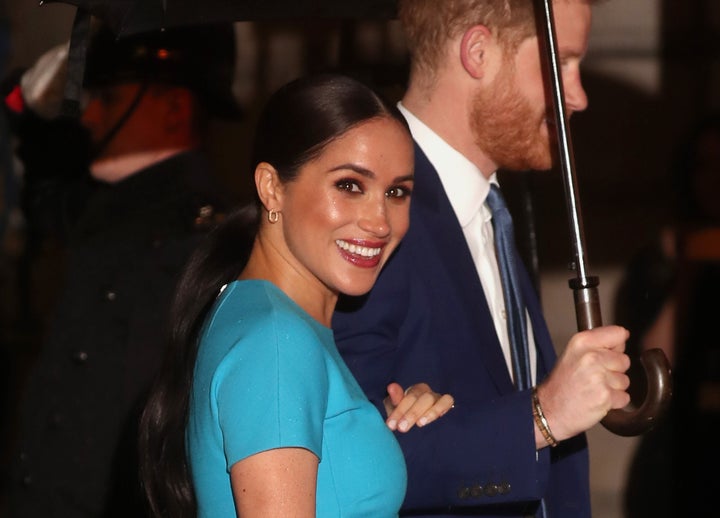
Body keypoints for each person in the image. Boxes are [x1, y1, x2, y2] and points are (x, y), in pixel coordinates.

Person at [332, 1, 631, 516]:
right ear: (478, 52)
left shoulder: (491, 210)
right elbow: (343, 459)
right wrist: (542, 417)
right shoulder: (370, 218)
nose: (576, 97)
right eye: (561, 64)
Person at [138, 72, 455, 518]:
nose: (380, 222)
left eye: (397, 192)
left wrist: (367, 424)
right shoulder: (276, 341)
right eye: (349, 185)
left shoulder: (264, 319)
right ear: (272, 188)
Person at [4, 21, 241, 517]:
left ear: (174, 108)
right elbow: (47, 190)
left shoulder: (195, 240)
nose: (89, 115)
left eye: (109, 100)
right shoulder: (113, 211)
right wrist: (24, 100)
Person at [617, 112, 720, 518]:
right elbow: (652, 363)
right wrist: (686, 271)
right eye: (705, 167)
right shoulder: (659, 261)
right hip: (680, 454)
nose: (715, 179)